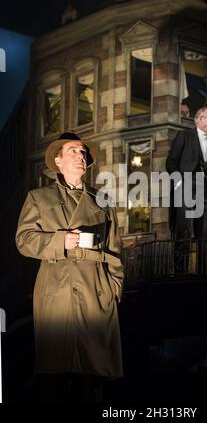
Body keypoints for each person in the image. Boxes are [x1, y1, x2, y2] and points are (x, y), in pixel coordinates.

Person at [15, 132, 124, 402]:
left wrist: (113, 289)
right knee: (55, 375)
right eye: (73, 151)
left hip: (95, 292)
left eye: (83, 152)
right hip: (57, 290)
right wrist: (58, 240)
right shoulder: (38, 197)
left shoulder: (102, 201)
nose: (80, 155)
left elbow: (116, 250)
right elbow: (23, 240)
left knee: (93, 376)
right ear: (58, 160)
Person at [166, 107, 207, 272]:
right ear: (200, 119)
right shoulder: (185, 136)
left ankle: (205, 272)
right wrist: (179, 182)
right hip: (185, 184)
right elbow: (171, 162)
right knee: (184, 230)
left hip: (204, 189)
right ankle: (180, 272)